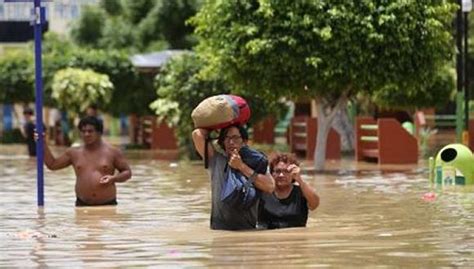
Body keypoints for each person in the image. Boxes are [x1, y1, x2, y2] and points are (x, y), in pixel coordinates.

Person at [192, 125, 275, 230]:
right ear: (222, 142)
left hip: (248, 230)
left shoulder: (257, 163)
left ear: (244, 142)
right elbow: (197, 134)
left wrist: (241, 166)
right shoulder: (216, 160)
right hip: (219, 229)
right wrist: (218, 126)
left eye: (235, 138)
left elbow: (270, 187)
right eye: (227, 138)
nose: (231, 142)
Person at [42, 116, 132, 206]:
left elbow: (127, 172)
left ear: (99, 133)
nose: (86, 134)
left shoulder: (112, 152)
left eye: (90, 131)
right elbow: (52, 165)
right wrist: (42, 143)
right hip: (82, 205)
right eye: (83, 131)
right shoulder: (73, 153)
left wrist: (114, 178)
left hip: (107, 205)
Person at [258, 153, 319, 229]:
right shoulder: (263, 191)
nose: (281, 175)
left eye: (286, 171)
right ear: (271, 173)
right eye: (277, 171)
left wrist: (300, 180)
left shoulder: (302, 192)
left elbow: (315, 205)